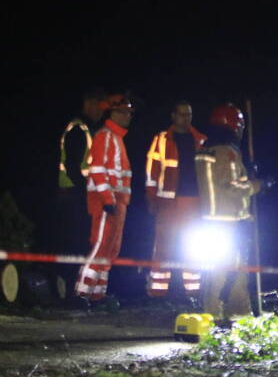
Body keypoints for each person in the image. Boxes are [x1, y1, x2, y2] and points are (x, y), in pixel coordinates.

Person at [195, 103, 263, 320]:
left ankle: (222, 313)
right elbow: (231, 186)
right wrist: (258, 185)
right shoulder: (228, 151)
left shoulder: (205, 148)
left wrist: (247, 172)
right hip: (229, 219)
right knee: (233, 271)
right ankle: (234, 314)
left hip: (209, 218)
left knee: (218, 270)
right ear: (235, 126)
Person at [74, 93, 133, 303]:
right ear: (112, 113)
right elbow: (97, 170)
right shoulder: (105, 136)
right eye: (124, 112)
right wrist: (108, 200)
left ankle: (97, 295)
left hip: (118, 202)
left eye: (129, 112)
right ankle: (82, 293)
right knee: (100, 246)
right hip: (106, 201)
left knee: (110, 249)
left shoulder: (116, 138)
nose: (128, 116)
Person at [144, 100, 207, 299]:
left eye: (188, 114)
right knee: (164, 245)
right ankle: (158, 291)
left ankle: (193, 291)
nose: (185, 118)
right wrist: (151, 198)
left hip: (194, 202)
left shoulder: (201, 140)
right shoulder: (161, 139)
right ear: (173, 116)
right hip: (168, 202)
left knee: (194, 246)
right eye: (181, 114)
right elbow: (151, 172)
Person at [54, 90, 106, 277]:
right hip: (74, 195)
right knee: (74, 242)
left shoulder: (91, 129)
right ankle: (69, 288)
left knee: (83, 242)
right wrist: (88, 190)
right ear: (88, 104)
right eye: (98, 106)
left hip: (81, 194)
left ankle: (77, 287)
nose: (100, 111)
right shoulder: (78, 129)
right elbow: (72, 165)